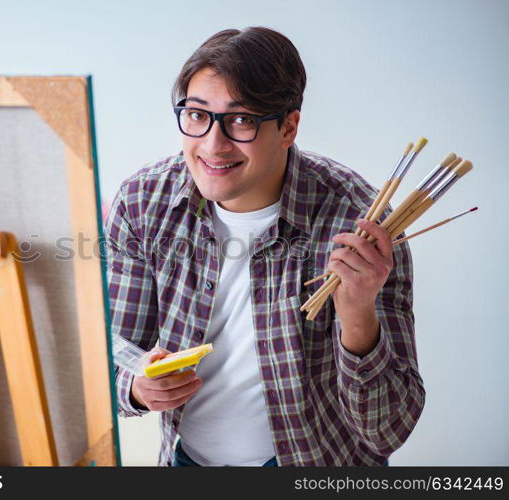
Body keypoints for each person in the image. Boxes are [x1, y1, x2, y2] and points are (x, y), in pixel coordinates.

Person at [104, 26, 425, 467]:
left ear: (288, 126)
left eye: (241, 120)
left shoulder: (362, 222)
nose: (213, 145)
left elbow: (389, 429)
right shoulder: (144, 203)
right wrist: (138, 387)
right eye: (198, 115)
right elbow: (115, 352)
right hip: (186, 460)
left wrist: (358, 316)